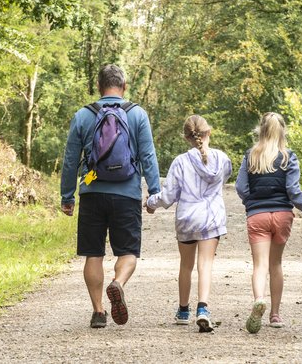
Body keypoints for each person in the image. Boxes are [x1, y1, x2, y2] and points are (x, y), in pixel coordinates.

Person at [59, 64, 161, 329]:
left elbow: (71, 160)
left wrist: (67, 196)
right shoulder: (137, 114)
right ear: (124, 86)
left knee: (93, 253)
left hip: (92, 189)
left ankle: (98, 312)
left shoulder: (83, 115)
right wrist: (154, 192)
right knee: (127, 252)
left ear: (98, 87)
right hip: (126, 191)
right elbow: (148, 155)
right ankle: (118, 283)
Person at [236, 112, 302, 334]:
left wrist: (251, 202)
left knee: (259, 265)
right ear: (282, 131)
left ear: (261, 130)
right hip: (283, 215)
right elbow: (293, 191)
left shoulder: (251, 156)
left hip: (257, 216)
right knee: (276, 264)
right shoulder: (288, 157)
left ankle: (259, 300)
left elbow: (240, 187)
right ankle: (275, 315)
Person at [145, 115, 232, 333]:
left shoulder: (180, 162)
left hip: (187, 219)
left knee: (186, 265)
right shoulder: (222, 159)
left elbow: (168, 196)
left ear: (186, 138)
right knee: (206, 264)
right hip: (211, 218)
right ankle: (203, 308)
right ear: (208, 133)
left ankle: (183, 310)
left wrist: (150, 203)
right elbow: (226, 178)